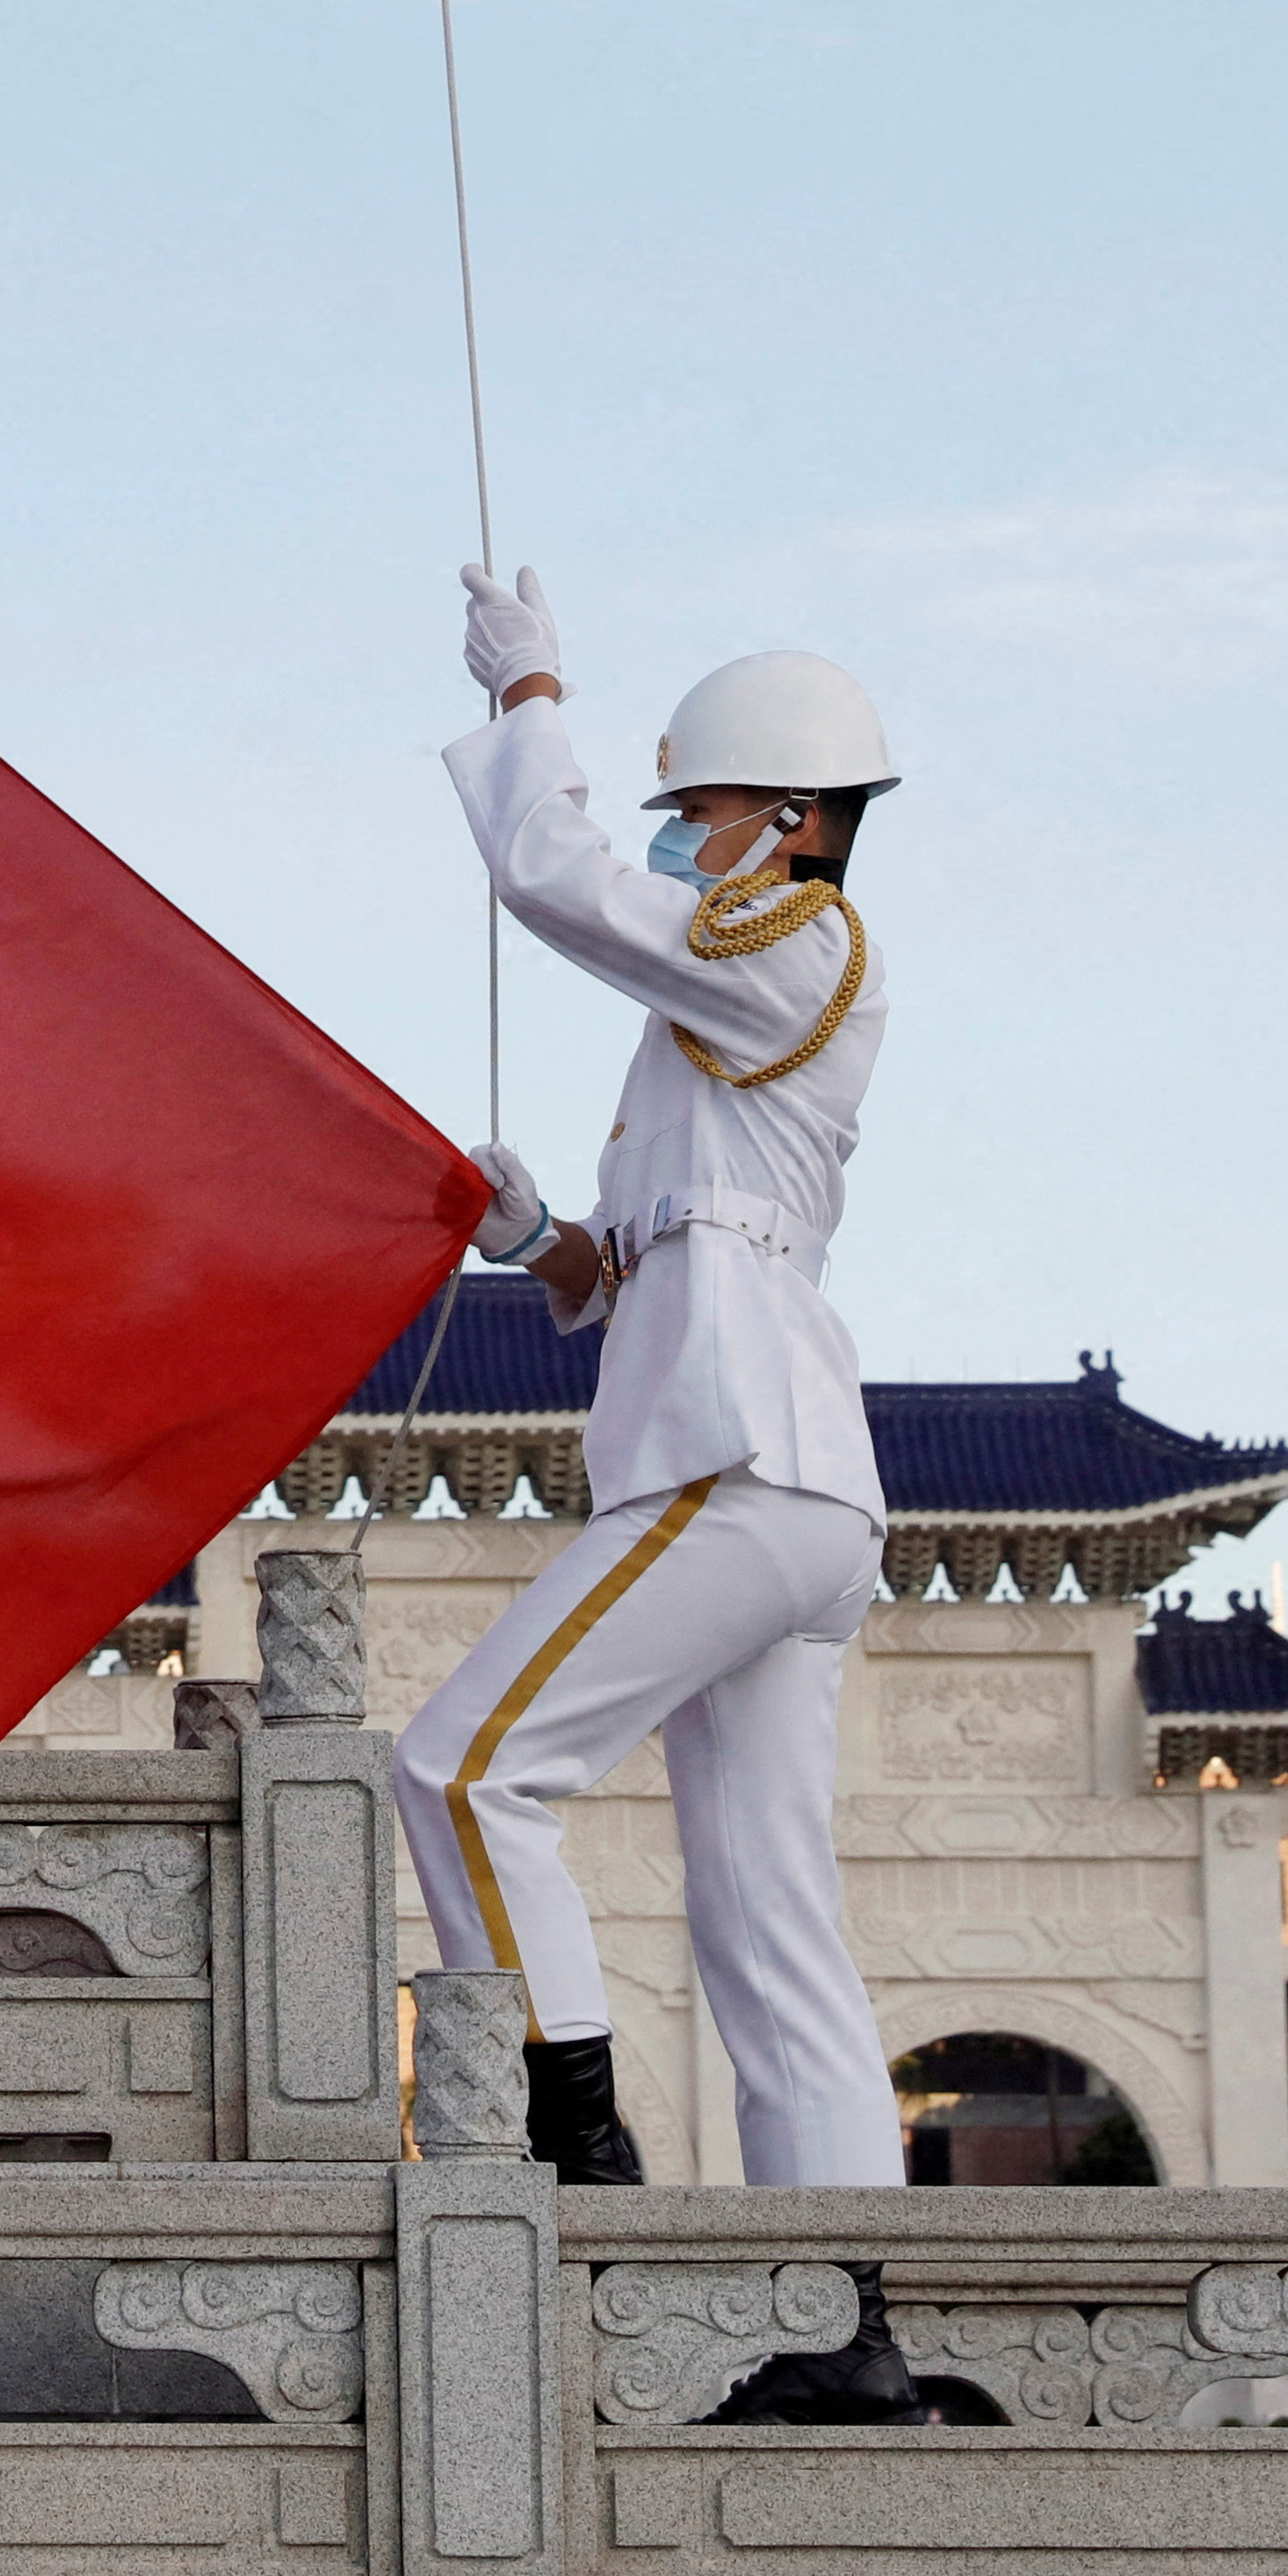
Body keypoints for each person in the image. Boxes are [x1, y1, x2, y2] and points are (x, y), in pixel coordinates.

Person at [396, 568, 932, 2421]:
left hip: (742, 1455)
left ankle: (580, 2164)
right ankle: (855, 2330)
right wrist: (541, 1235)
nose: (684, 843)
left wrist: (530, 689)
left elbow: (551, 880)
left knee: (461, 1771)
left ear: (787, 819)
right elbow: (643, 1270)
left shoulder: (799, 939)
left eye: (700, 809)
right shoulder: (727, 1004)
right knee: (769, 1916)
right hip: (781, 1473)